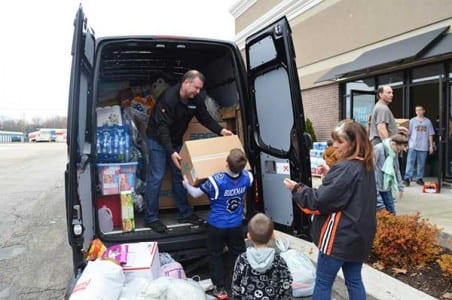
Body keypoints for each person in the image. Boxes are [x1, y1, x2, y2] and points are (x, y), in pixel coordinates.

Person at [283, 120, 376, 299]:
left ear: (354, 143)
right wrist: (331, 174)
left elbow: (320, 201)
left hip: (339, 237)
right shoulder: (366, 165)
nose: (335, 146)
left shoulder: (345, 168)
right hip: (360, 236)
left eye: (340, 141)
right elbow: (347, 193)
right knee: (354, 280)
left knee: (323, 282)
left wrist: (296, 189)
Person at [145, 70, 233, 233]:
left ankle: (184, 213)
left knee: (180, 175)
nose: (198, 92)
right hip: (157, 140)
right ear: (186, 83)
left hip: (177, 140)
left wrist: (221, 131)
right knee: (156, 177)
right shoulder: (168, 98)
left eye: (200, 89)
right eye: (196, 88)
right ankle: (151, 217)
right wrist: (171, 151)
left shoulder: (196, 99)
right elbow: (162, 128)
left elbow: (204, 117)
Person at [183, 148, 253, 299]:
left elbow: (195, 194)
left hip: (217, 225)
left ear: (226, 164)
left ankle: (220, 289)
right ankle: (239, 285)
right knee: (238, 255)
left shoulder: (216, 181)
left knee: (215, 255)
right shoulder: (248, 177)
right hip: (236, 224)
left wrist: (186, 184)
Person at [231, 213, 292, 300]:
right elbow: (286, 285)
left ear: (249, 236)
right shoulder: (279, 261)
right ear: (272, 235)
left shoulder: (242, 259)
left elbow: (236, 286)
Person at [374, 133, 408, 214]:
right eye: (398, 150)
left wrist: (400, 187)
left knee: (391, 211)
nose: (398, 152)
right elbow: (372, 169)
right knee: (381, 211)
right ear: (393, 144)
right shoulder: (378, 149)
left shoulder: (393, 152)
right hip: (377, 185)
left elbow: (396, 169)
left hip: (386, 186)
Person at [403, 105, 435, 186]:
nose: (418, 112)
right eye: (417, 110)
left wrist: (431, 146)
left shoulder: (428, 121)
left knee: (421, 163)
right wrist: (406, 144)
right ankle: (407, 178)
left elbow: (430, 134)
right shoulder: (412, 121)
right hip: (413, 145)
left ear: (424, 111)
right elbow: (408, 134)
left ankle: (419, 178)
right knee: (410, 162)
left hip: (423, 146)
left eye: (420, 110)